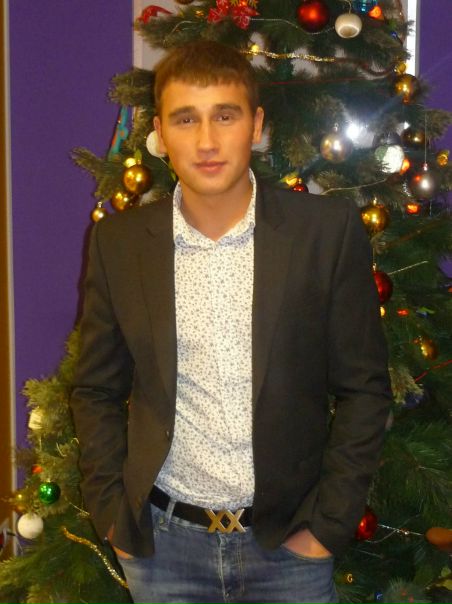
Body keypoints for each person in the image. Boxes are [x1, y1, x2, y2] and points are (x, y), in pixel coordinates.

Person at [70, 40, 392, 604]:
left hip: (289, 549)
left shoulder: (324, 232)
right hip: (164, 554)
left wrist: (326, 527)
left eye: (225, 116)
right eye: (185, 119)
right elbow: (96, 388)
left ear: (256, 125)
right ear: (161, 134)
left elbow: (364, 389)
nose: (207, 141)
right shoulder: (119, 244)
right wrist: (114, 517)